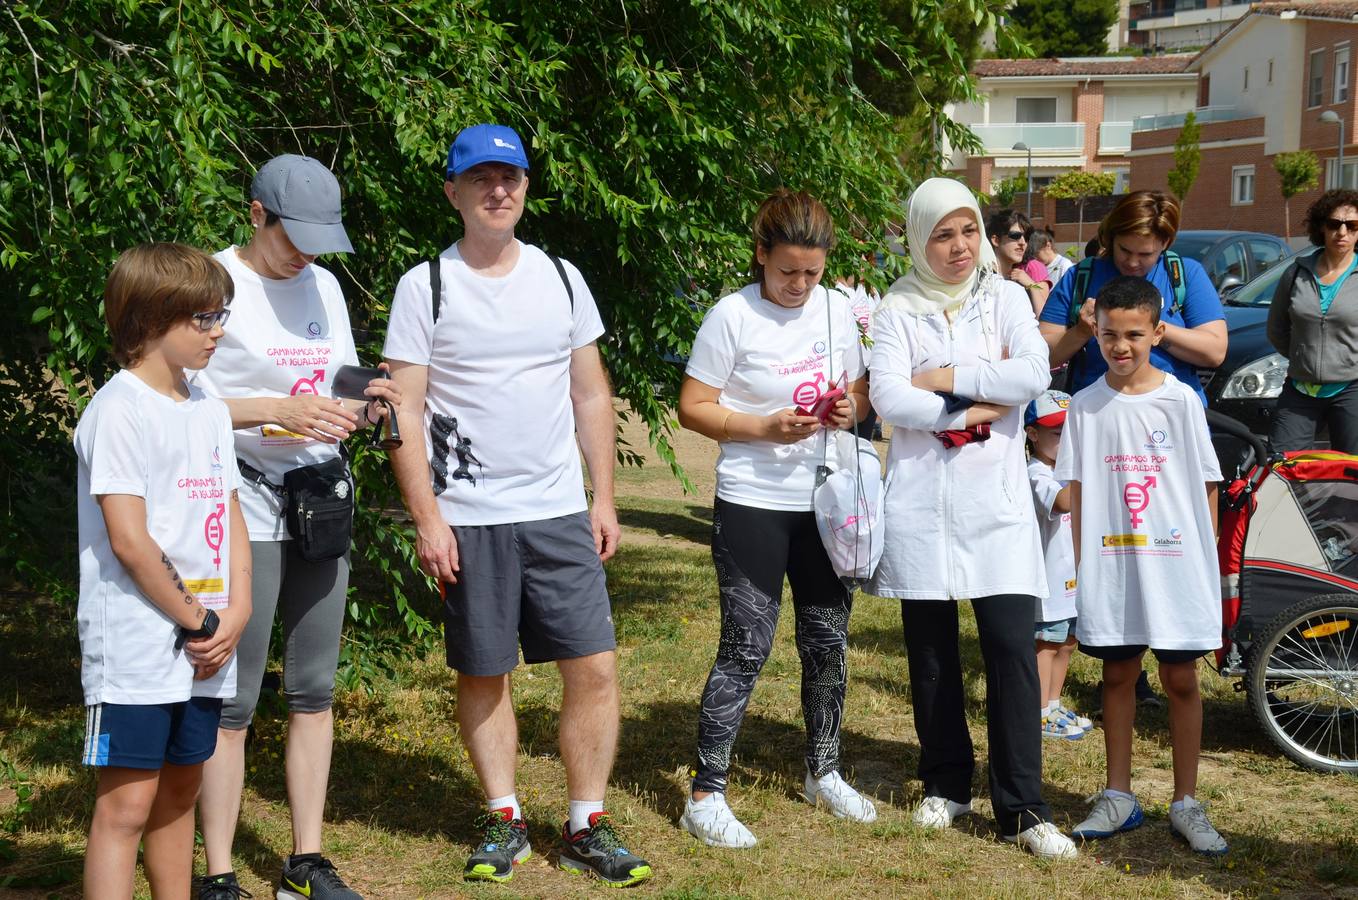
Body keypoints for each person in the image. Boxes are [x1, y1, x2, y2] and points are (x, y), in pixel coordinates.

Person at [383, 124, 651, 888]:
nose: (498, 191)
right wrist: (428, 518)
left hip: (558, 510)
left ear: (527, 187)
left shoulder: (562, 277)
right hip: (469, 514)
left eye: (512, 178)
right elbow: (404, 410)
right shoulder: (423, 286)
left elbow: (591, 391)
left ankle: (585, 822)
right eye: (481, 180)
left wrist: (604, 496)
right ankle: (503, 818)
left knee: (593, 667)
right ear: (454, 193)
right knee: (484, 670)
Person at [194, 155, 399, 900]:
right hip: (243, 505)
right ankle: (218, 871)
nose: (306, 252)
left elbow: (336, 374)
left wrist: (366, 396)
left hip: (320, 500)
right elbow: (177, 404)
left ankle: (305, 863)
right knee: (234, 699)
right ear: (256, 214)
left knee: (313, 689)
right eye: (293, 236)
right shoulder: (210, 285)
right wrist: (273, 409)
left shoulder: (324, 284)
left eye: (319, 238)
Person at [868, 177, 1077, 860]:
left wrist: (945, 376)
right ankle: (947, 783)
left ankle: (1022, 806)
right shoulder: (898, 305)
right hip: (924, 500)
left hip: (997, 504)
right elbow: (891, 399)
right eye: (942, 234)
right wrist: (969, 407)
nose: (958, 247)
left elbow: (1032, 374)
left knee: (1012, 648)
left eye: (966, 231)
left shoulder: (1007, 295)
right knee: (931, 650)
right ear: (919, 238)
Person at [677, 189, 876, 850]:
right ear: (760, 255)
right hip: (753, 499)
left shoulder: (838, 310)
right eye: (786, 270)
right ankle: (706, 794)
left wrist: (850, 408)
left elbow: (857, 388)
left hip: (826, 502)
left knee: (827, 642)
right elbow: (694, 406)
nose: (797, 284)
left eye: (811, 273)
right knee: (746, 644)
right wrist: (760, 427)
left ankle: (823, 771)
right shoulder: (730, 316)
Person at [77, 244, 250, 899]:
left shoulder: (206, 403)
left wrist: (235, 614)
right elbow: (129, 540)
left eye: (220, 314)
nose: (219, 330)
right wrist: (198, 619)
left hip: (208, 642)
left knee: (181, 793)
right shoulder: (118, 409)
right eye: (204, 318)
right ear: (151, 320)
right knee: (126, 808)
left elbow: (231, 514)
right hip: (136, 646)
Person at [1059, 276, 1228, 856]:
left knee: (1181, 678)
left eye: (1134, 334)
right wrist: (1085, 570)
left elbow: (1207, 483)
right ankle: (1118, 796)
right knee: (1117, 675)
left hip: (1177, 565)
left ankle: (1186, 801)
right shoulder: (1084, 405)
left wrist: (1204, 563)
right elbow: (1078, 494)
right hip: (1114, 567)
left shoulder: (1181, 399)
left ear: (1158, 331)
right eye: (1109, 335)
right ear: (1095, 334)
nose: (1121, 346)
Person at [1040, 191, 1226, 403]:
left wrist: (1149, 328)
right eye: (1125, 250)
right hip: (1097, 414)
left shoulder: (1187, 274)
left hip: (1172, 415)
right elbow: (1041, 355)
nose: (1133, 262)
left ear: (1165, 243)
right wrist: (1081, 331)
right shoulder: (1080, 277)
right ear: (1112, 238)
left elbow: (1214, 352)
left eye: (1146, 254)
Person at [1267, 187, 1358, 454]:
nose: (1342, 233)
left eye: (1351, 225)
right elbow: (1277, 328)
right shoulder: (1296, 272)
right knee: (1282, 469)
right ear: (1322, 227)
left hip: (1351, 390)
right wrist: (1301, 356)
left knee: (1352, 475)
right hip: (1300, 390)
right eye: (1334, 224)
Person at [1023, 390, 1090, 740]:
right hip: (1048, 582)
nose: (1066, 442)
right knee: (1046, 644)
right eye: (1057, 433)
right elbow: (1063, 502)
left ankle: (1053, 703)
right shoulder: (1037, 473)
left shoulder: (1068, 471)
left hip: (1073, 579)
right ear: (1033, 434)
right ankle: (1038, 711)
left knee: (1066, 643)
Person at [988, 209, 1051, 315]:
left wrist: (1032, 285)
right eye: (1015, 236)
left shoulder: (1021, 278)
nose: (1022, 243)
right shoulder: (981, 280)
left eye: (1026, 238)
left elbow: (1043, 320)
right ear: (996, 240)